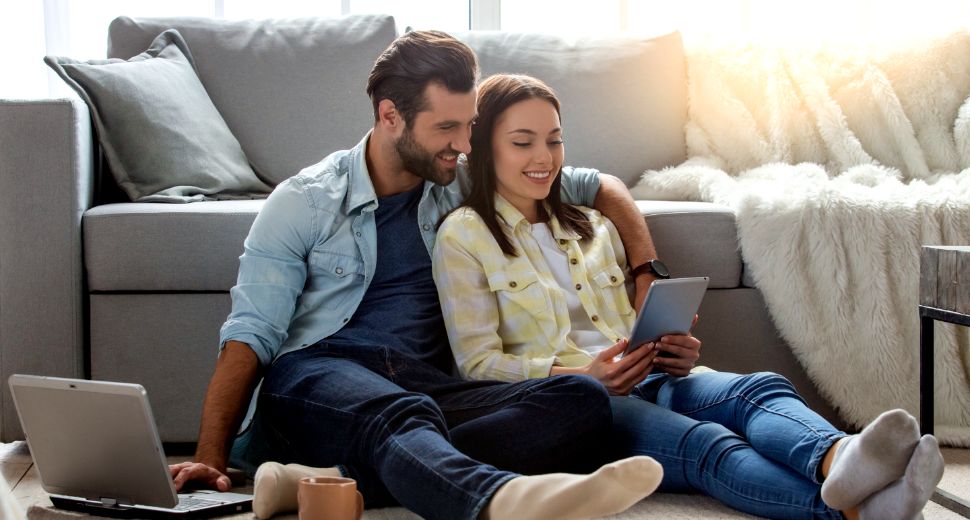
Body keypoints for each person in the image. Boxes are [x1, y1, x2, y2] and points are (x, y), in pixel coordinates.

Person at [168, 32, 669, 520]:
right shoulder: (305, 202)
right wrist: (211, 456)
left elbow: (597, 185)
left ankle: (319, 479)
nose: (465, 144)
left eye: (470, 124)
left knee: (579, 398)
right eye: (447, 127)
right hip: (318, 374)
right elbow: (250, 335)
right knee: (402, 414)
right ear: (391, 116)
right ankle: (495, 500)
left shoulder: (458, 176)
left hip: (422, 386)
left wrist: (646, 274)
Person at [432, 73, 946, 520]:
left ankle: (840, 457)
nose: (544, 158)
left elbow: (626, 322)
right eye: (523, 142)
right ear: (485, 147)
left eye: (554, 140)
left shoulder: (592, 226)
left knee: (757, 389)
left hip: (652, 376)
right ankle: (854, 511)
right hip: (585, 403)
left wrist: (668, 347)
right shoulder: (463, 236)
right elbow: (476, 364)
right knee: (705, 446)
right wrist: (578, 377)